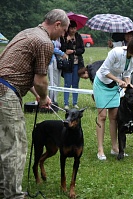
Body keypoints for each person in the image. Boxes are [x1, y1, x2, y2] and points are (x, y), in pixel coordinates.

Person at [0, 9, 69, 198]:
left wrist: (36, 95)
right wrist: (45, 96)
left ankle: (3, 188)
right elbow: (40, 80)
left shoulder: (27, 33)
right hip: (6, 94)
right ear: (57, 25)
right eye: (63, 31)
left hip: (4, 86)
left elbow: (20, 70)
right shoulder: (45, 42)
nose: (63, 36)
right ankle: (13, 195)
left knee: (3, 144)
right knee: (15, 147)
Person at [93, 35, 133, 160]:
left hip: (115, 85)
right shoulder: (116, 52)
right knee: (102, 116)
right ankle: (100, 149)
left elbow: (127, 73)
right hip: (102, 83)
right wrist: (118, 80)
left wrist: (127, 84)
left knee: (114, 117)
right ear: (132, 47)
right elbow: (104, 71)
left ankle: (115, 147)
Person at [60, 20, 85, 110]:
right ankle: (66, 103)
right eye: (71, 28)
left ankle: (75, 103)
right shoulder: (64, 36)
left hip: (77, 64)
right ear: (68, 28)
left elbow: (82, 49)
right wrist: (66, 41)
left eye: (75, 28)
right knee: (67, 84)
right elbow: (62, 49)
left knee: (75, 83)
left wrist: (74, 51)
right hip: (68, 64)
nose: (73, 30)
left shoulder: (78, 37)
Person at [48, 38, 67, 104]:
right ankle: (51, 100)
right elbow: (51, 48)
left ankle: (55, 100)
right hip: (51, 62)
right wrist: (62, 53)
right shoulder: (50, 38)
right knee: (52, 82)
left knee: (57, 82)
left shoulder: (59, 38)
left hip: (58, 62)